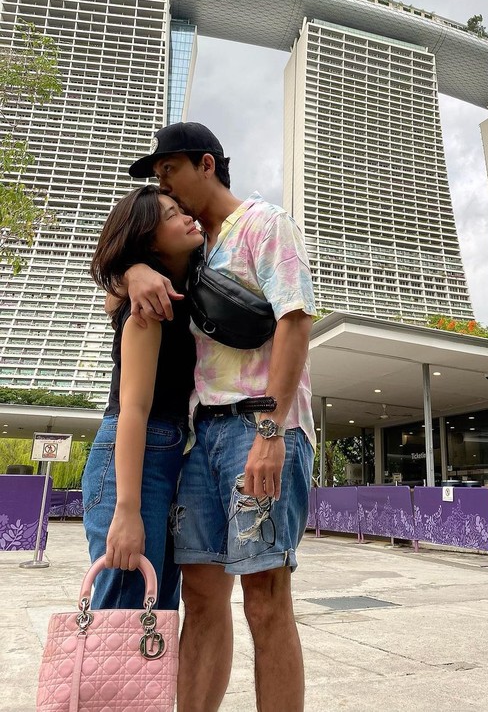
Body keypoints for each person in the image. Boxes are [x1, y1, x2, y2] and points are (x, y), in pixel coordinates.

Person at [124, 121, 316, 712]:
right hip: (199, 436)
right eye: (159, 177)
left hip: (257, 428)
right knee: (203, 598)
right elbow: (113, 274)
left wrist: (270, 429)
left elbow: (296, 320)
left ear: (206, 164)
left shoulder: (264, 223)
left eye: (170, 171)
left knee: (264, 599)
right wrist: (133, 269)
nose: (166, 186)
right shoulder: (193, 248)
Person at [82, 185, 203, 610]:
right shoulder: (147, 311)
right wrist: (127, 510)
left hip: (164, 457)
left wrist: (132, 271)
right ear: (150, 238)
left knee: (157, 609)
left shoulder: (177, 292)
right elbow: (133, 408)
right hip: (132, 462)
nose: (187, 217)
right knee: (126, 609)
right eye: (172, 214)